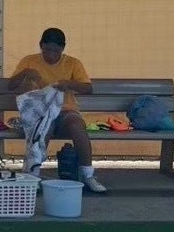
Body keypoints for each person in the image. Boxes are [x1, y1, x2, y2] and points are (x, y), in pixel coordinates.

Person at [7, 27, 102, 192]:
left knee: (77, 126)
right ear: (40, 46)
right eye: (46, 50)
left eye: (55, 51)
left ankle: (88, 174)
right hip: (40, 112)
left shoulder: (73, 63)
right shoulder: (29, 61)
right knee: (43, 128)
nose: (50, 55)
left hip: (66, 110)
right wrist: (25, 73)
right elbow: (11, 86)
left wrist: (69, 84)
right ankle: (33, 174)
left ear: (62, 48)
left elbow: (88, 88)